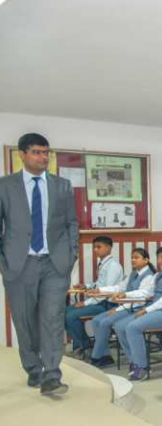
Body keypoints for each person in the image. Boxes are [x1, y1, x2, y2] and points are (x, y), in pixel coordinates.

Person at [0, 133, 79, 395]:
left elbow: (71, 223)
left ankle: (52, 374)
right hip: (18, 264)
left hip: (54, 264)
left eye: (46, 153)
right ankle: (34, 369)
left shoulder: (62, 186)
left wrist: (71, 254)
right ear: (22, 154)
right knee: (24, 321)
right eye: (36, 152)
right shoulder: (5, 186)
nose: (43, 157)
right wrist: (3, 261)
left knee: (52, 319)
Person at [113, 245, 162, 381]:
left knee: (132, 327)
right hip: (157, 309)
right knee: (119, 326)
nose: (160, 261)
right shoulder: (159, 274)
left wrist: (146, 310)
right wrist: (126, 294)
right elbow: (148, 292)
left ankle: (142, 367)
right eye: (159, 257)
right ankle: (134, 361)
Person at [87, 248, 155, 367]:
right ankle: (105, 355)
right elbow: (120, 287)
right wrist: (100, 290)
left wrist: (118, 309)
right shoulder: (133, 273)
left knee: (105, 323)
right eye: (132, 257)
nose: (133, 260)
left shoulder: (149, 276)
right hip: (126, 306)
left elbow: (142, 297)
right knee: (96, 320)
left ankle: (96, 356)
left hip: (137, 308)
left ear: (146, 260)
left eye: (136, 257)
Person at [65, 236, 124, 356]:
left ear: (108, 248)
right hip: (100, 301)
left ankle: (84, 345)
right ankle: (83, 344)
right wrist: (86, 286)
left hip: (108, 304)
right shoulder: (103, 264)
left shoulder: (113, 266)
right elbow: (99, 284)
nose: (96, 250)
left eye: (99, 247)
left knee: (71, 316)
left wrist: (85, 303)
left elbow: (106, 291)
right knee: (64, 312)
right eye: (94, 247)